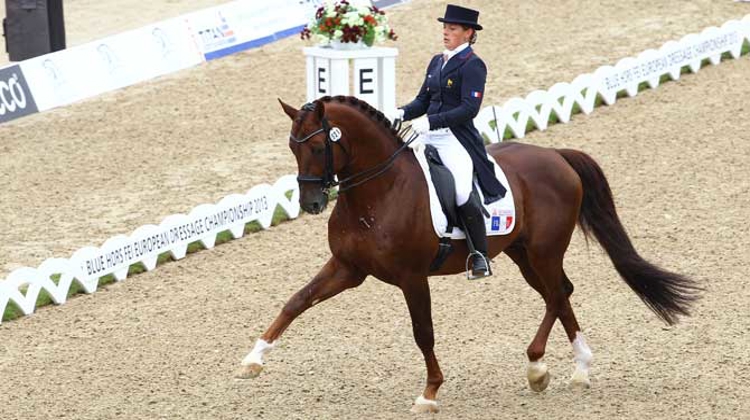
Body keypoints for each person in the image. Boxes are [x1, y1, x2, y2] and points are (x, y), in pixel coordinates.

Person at [389, 4, 506, 280]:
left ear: (468, 33)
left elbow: (468, 109)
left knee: (462, 191)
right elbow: (423, 101)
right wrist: (401, 112)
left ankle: (480, 255)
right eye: (445, 27)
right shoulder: (436, 61)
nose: (446, 32)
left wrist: (432, 121)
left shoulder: (473, 65)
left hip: (456, 140)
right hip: (426, 134)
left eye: (452, 28)